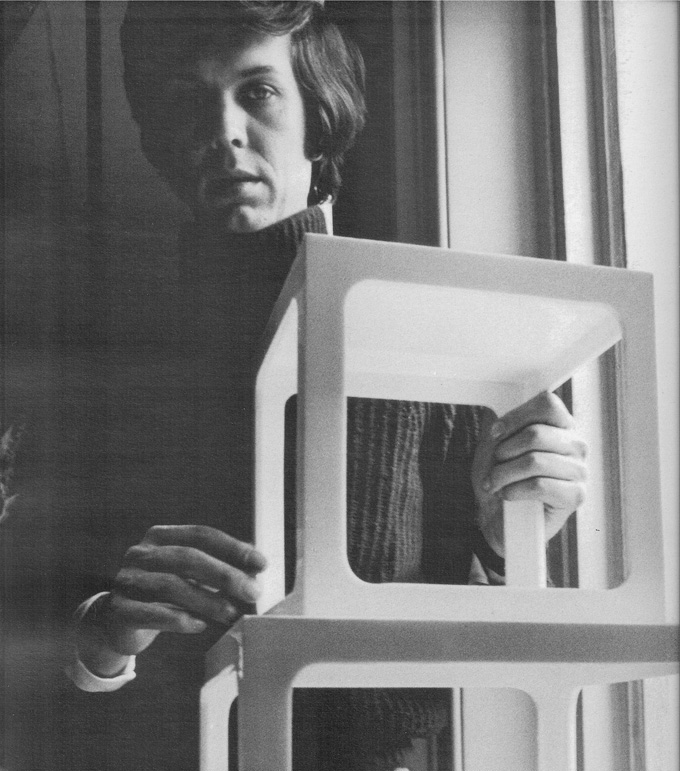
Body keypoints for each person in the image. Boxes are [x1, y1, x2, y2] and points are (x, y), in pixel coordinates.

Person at [40, 1, 585, 769]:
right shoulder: (107, 348)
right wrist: (104, 632)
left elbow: (463, 650)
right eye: (189, 103)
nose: (223, 132)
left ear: (318, 116)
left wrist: (508, 537)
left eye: (257, 92)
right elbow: (41, 634)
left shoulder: (423, 326)